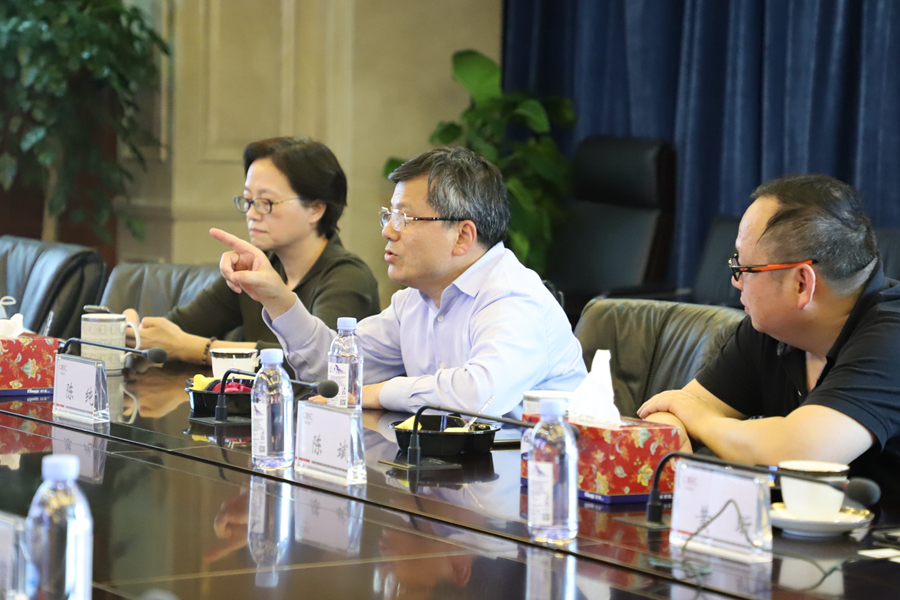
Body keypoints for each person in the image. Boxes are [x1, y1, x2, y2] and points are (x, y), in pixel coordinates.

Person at [210, 146, 587, 416]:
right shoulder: (414, 301)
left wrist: (376, 393)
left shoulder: (513, 296)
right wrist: (276, 297)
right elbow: (335, 370)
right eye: (389, 216)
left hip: (539, 488)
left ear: (462, 236)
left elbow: (480, 395)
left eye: (405, 218)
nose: (389, 231)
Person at [637, 174, 900, 489]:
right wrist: (674, 421)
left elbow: (798, 453)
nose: (735, 281)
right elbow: (675, 409)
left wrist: (701, 420)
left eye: (744, 268)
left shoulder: (892, 337)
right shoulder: (774, 328)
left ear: (801, 284)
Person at [124, 137, 380, 366]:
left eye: (266, 202)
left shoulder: (348, 276)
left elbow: (316, 361)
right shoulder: (259, 265)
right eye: (248, 201)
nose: (251, 214)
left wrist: (193, 348)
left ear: (316, 208)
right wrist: (135, 329)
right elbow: (180, 329)